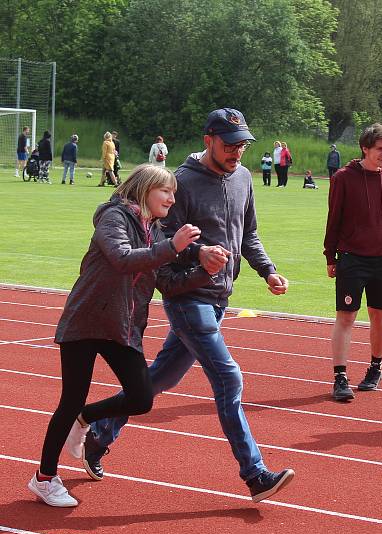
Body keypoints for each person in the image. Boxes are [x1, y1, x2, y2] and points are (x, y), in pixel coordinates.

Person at [87, 108, 294, 502]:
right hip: (186, 297)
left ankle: (97, 434)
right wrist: (200, 254)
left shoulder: (245, 179)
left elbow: (248, 234)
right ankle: (255, 475)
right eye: (230, 145)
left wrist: (267, 271)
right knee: (228, 378)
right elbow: (161, 239)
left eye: (242, 146)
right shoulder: (179, 183)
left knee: (160, 379)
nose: (237, 152)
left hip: (219, 298)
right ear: (208, 141)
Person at [27, 164, 206, 507]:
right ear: (144, 189)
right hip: (87, 320)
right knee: (70, 399)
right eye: (165, 191)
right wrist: (173, 246)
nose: (172, 198)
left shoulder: (153, 230)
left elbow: (164, 282)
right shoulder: (115, 217)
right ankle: (44, 478)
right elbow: (123, 259)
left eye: (173, 192)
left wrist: (203, 273)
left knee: (141, 399)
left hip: (122, 326)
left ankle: (87, 418)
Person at [323, 123, 382, 401]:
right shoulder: (344, 177)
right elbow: (334, 217)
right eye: (380, 149)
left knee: (379, 315)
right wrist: (330, 255)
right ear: (365, 148)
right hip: (352, 258)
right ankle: (340, 376)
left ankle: (375, 368)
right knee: (346, 317)